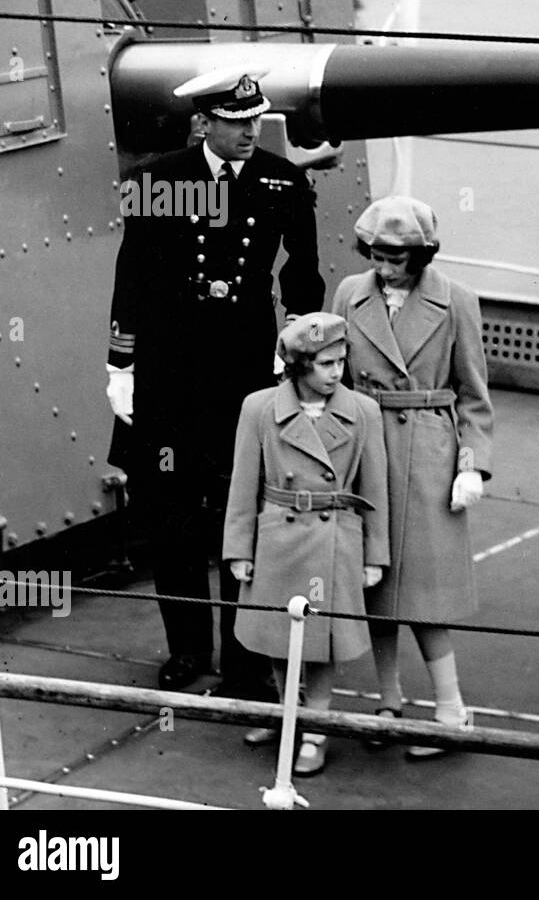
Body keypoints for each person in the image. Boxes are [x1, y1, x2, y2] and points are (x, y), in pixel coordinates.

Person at [105, 66, 325, 694]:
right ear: (204, 122)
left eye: (255, 120)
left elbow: (302, 278)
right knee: (170, 510)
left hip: (245, 370)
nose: (249, 132)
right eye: (235, 123)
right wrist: (122, 362)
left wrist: (298, 349)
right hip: (172, 370)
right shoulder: (159, 181)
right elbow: (134, 274)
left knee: (241, 507)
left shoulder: (283, 182)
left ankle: (243, 657)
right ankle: (185, 650)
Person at [330, 196, 493, 759]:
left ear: (421, 255)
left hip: (429, 454)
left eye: (397, 258)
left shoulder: (457, 303)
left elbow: (474, 397)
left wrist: (472, 465)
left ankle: (451, 711)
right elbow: (338, 381)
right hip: (366, 449)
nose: (385, 267)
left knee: (425, 592)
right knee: (374, 580)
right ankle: (389, 700)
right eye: (377, 255)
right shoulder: (350, 294)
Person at [221, 312, 389, 776]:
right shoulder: (259, 407)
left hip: (333, 538)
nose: (337, 372)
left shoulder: (363, 412)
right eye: (325, 363)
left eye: (341, 361)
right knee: (277, 636)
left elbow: (376, 491)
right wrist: (239, 549)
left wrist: (375, 554)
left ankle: (315, 729)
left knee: (320, 642)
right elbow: (242, 484)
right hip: (278, 533)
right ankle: (286, 714)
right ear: (298, 365)